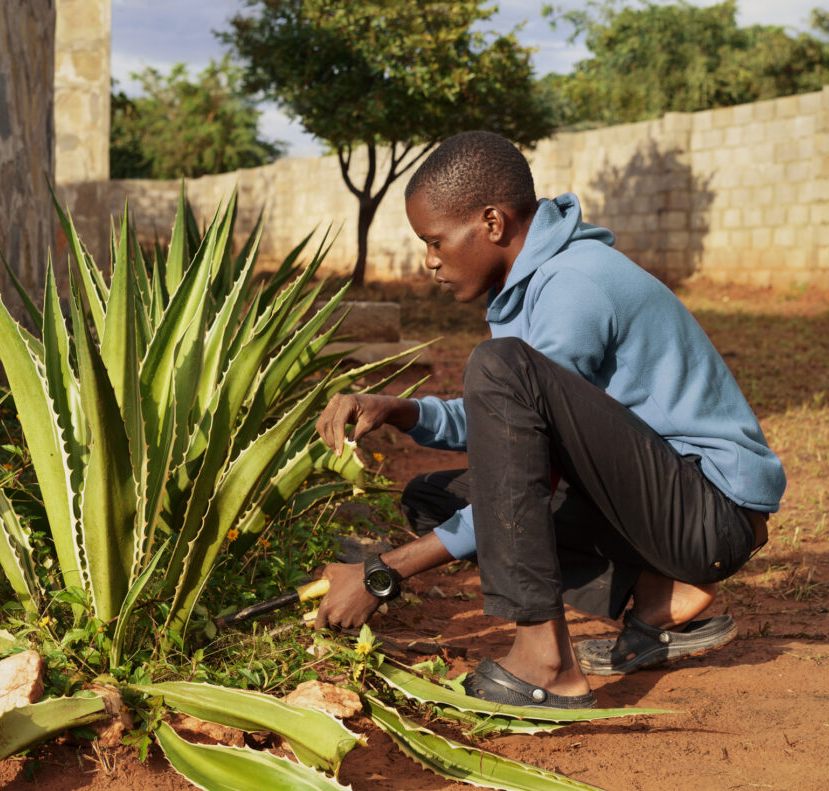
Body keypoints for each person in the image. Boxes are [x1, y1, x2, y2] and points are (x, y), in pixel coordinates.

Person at [314, 131, 785, 709]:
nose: (430, 261)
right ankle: (660, 596)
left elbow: (529, 438)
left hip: (710, 513)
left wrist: (385, 571)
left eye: (434, 241)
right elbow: (510, 425)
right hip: (662, 504)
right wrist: (401, 410)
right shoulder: (531, 284)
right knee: (433, 499)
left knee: (500, 369)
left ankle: (547, 660)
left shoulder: (574, 283)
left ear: (491, 223)